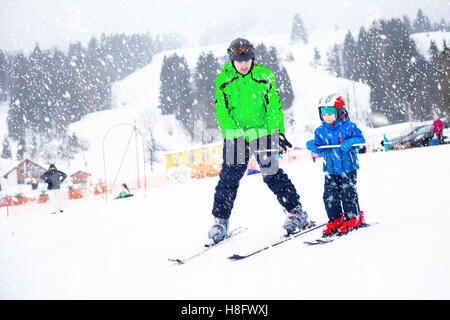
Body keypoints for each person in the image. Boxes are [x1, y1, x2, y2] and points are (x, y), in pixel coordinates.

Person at [207, 38, 310, 243]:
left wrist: (277, 132)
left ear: (252, 58)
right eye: (239, 61)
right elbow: (222, 111)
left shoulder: (264, 75)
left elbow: (274, 107)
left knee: (271, 173)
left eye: (247, 60)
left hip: (262, 132)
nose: (244, 64)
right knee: (228, 178)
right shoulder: (224, 79)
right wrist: (235, 134)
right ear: (232, 60)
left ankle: (296, 211)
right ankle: (220, 220)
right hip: (236, 134)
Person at [306, 94, 365, 236]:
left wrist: (351, 142)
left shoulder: (349, 127)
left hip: (348, 167)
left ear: (339, 113)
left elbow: (360, 139)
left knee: (348, 193)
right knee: (329, 195)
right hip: (330, 169)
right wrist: (314, 145)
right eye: (324, 114)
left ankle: (353, 217)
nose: (327, 117)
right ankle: (335, 218)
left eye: (330, 114)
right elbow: (319, 146)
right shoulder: (320, 131)